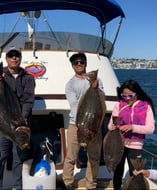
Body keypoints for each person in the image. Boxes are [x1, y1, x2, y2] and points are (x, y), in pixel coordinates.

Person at [0, 48, 35, 190]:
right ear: (6, 59)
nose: (14, 58)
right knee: (0, 156)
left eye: (17, 56)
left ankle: (18, 186)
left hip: (20, 124)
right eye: (11, 56)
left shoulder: (28, 78)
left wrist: (22, 118)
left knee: (19, 157)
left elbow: (28, 101)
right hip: (3, 124)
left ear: (20, 58)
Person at [62, 52, 104, 190]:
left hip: (94, 125)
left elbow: (102, 98)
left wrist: (96, 89)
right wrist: (91, 91)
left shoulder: (97, 81)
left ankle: (90, 184)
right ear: (72, 66)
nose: (79, 64)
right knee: (71, 156)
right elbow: (74, 105)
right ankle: (68, 182)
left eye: (82, 62)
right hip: (76, 124)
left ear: (85, 64)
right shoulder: (70, 84)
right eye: (76, 63)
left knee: (94, 156)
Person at [108, 79, 155, 190]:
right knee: (118, 171)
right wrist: (114, 126)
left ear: (137, 93)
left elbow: (151, 129)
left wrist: (132, 127)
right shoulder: (118, 106)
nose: (127, 98)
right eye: (124, 96)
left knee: (136, 174)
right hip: (119, 144)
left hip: (136, 146)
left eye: (130, 95)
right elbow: (110, 126)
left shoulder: (146, 107)